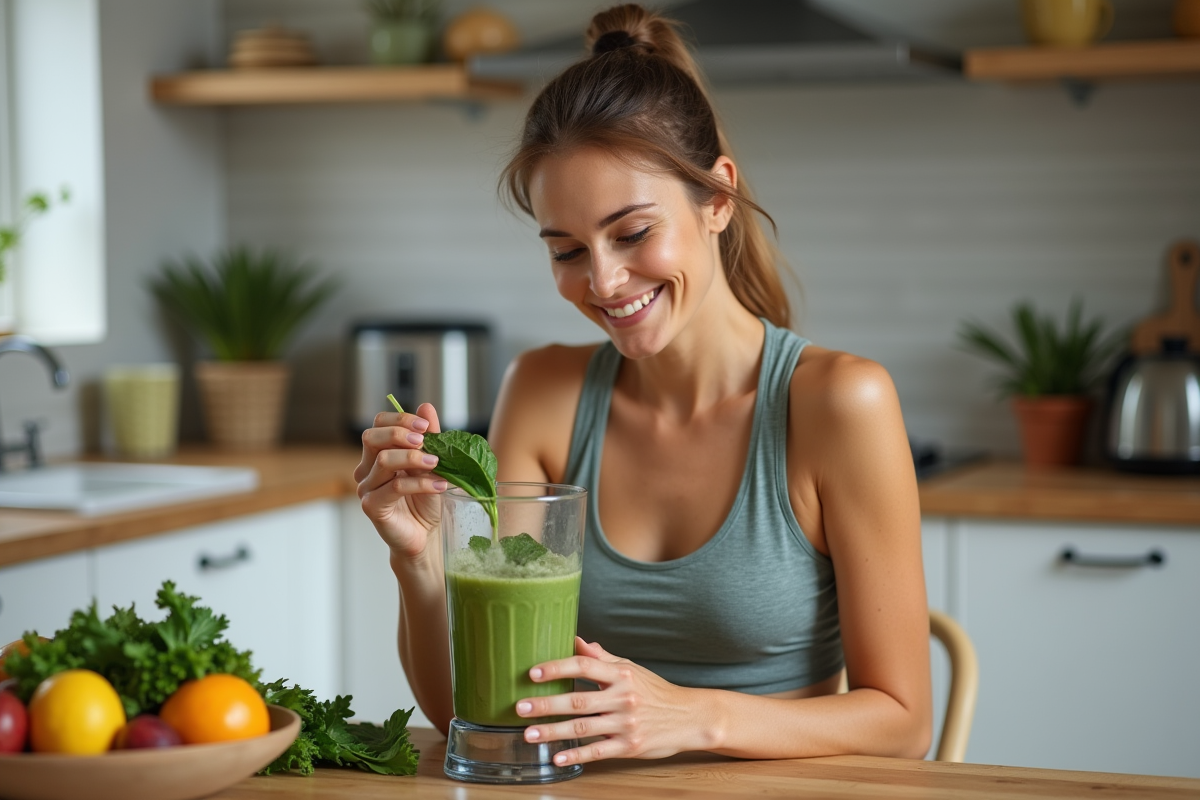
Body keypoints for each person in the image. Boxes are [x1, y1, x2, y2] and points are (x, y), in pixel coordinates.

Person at [355, 3, 931, 766]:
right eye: (566, 250)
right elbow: (474, 712)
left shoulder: (836, 403)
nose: (603, 281)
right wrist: (419, 558)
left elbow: (903, 722)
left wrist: (695, 718)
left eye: (632, 234)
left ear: (718, 198)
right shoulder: (544, 391)